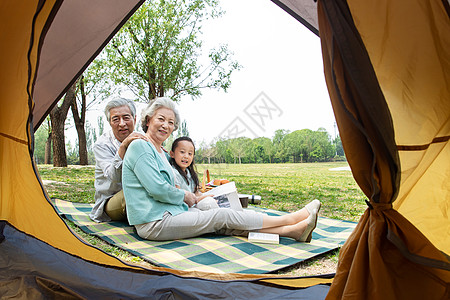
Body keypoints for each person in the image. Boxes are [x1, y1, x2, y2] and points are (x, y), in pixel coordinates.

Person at [122, 97, 321, 241]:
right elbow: (157, 189)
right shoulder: (140, 146)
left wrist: (194, 194)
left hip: (172, 213)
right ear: (148, 120)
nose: (166, 125)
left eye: (171, 123)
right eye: (161, 119)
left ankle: (293, 231)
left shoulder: (162, 152)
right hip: (154, 221)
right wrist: (186, 196)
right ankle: (290, 218)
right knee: (221, 217)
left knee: (224, 224)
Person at [89, 98, 148, 223]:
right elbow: (114, 177)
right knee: (138, 194)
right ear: (110, 123)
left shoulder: (142, 140)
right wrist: (123, 147)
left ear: (134, 119)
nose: (122, 124)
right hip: (111, 201)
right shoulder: (102, 145)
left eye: (126, 118)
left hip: (137, 192)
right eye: (116, 119)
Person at [169, 136, 219, 210]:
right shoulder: (174, 173)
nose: (186, 156)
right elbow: (179, 199)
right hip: (183, 208)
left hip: (194, 204)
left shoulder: (188, 172)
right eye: (182, 152)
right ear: (172, 154)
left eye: (190, 153)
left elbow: (196, 193)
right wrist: (204, 198)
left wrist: (208, 195)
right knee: (209, 203)